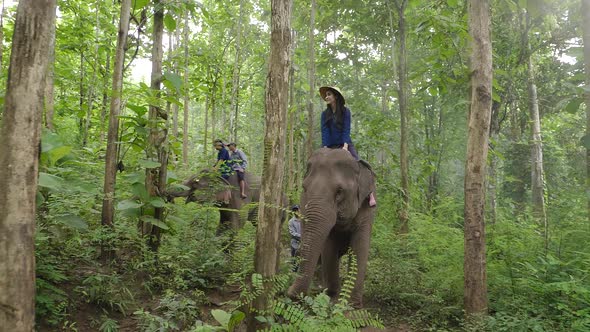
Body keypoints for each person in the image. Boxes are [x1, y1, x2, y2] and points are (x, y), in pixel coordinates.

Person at [319, 86, 377, 207]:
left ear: (336, 96)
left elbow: (346, 129)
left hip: (344, 143)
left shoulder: (346, 112)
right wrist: (325, 147)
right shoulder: (325, 114)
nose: (326, 97)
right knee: (319, 166)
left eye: (329, 94)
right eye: (326, 95)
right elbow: (324, 131)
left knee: (358, 164)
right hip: (329, 145)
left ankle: (370, 194)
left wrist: (345, 147)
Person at [288, 205, 302, 272]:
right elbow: (292, 233)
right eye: (294, 210)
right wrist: (301, 236)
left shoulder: (303, 220)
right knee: (295, 261)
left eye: (297, 210)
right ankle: (293, 275)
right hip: (295, 243)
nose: (296, 212)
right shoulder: (291, 221)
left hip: (304, 243)